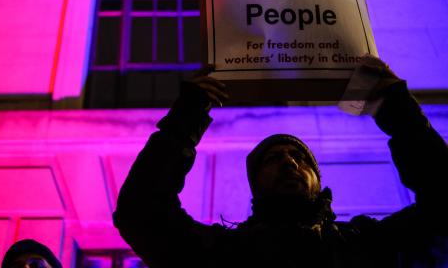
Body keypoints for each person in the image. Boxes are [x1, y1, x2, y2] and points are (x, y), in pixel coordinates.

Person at [113, 56, 448, 267]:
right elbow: (142, 213)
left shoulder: (368, 244)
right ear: (256, 185)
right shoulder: (225, 254)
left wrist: (397, 111)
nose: (290, 163)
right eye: (274, 159)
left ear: (317, 179)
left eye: (300, 158)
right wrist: (186, 117)